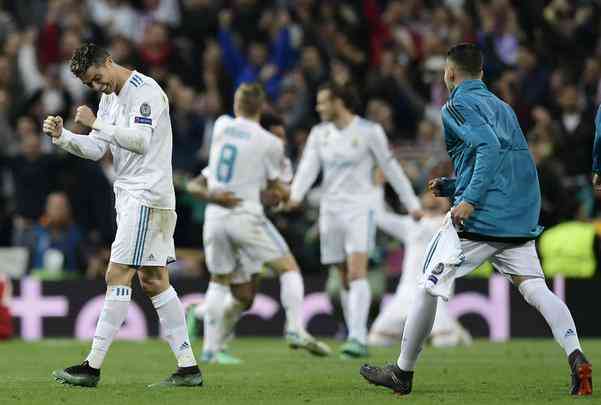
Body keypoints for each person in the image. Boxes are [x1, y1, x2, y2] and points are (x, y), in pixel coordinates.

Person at [360, 43, 592, 396]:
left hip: (482, 217)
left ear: (449, 74)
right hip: (516, 213)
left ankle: (402, 372)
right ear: (482, 74)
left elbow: (488, 148)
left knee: (427, 284)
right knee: (536, 288)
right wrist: (454, 185)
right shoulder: (503, 108)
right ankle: (577, 358)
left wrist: (467, 199)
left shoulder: (455, 104)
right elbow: (506, 161)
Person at [43, 43, 202, 388]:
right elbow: (100, 148)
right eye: (89, 84)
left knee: (117, 273)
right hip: (133, 196)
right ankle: (188, 368)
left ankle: (92, 366)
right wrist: (64, 137)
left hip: (146, 195)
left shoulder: (144, 91)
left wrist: (97, 122)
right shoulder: (110, 98)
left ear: (109, 62)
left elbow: (141, 141)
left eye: (97, 78)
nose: (96, 87)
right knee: (154, 280)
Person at [186, 84, 330, 364]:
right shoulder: (270, 145)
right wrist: (289, 196)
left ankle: (209, 349)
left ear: (237, 104)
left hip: (215, 217)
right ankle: (294, 328)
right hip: (246, 216)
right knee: (289, 268)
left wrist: (213, 193)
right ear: (261, 109)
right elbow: (281, 188)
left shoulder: (221, 126)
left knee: (231, 289)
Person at [288, 82, 423, 358]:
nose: (318, 107)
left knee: (357, 270)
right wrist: (295, 196)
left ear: (339, 102)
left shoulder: (369, 131)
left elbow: (391, 168)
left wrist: (412, 204)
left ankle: (358, 337)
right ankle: (354, 332)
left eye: (323, 102)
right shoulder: (319, 133)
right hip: (330, 211)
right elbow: (308, 168)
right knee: (344, 275)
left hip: (359, 209)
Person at [368, 182, 471, 348]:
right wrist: (378, 186)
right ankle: (420, 330)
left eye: (439, 195)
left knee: (444, 342)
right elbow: (379, 217)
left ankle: (453, 330)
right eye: (429, 194)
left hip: (435, 293)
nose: (433, 198)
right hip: (405, 294)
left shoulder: (454, 222)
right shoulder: (410, 224)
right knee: (377, 339)